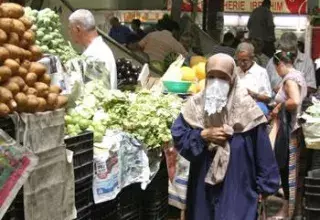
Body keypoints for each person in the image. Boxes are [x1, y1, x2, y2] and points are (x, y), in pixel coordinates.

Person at [171, 53, 280, 220]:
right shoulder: (195, 107)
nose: (216, 82)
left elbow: (263, 153)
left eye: (223, 77)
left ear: (233, 79)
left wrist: (265, 188)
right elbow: (179, 136)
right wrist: (202, 135)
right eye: (211, 76)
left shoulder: (248, 109)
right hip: (203, 188)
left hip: (239, 186)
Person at [269, 50, 307, 219]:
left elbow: (295, 100)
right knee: (292, 171)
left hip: (288, 131)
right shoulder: (297, 75)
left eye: (277, 69)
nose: (277, 73)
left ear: (281, 64)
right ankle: (293, 209)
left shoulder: (290, 78)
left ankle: (286, 211)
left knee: (287, 170)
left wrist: (279, 106)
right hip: (293, 129)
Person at [69, 9, 117, 89]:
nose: (69, 32)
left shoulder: (95, 56)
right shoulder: (96, 49)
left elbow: (96, 95)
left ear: (78, 29)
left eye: (70, 28)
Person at [235, 42, 272, 114]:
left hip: (254, 111)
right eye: (239, 60)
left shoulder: (261, 72)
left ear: (252, 58)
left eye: (244, 60)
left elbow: (268, 98)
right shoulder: (235, 71)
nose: (241, 63)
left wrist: (253, 94)